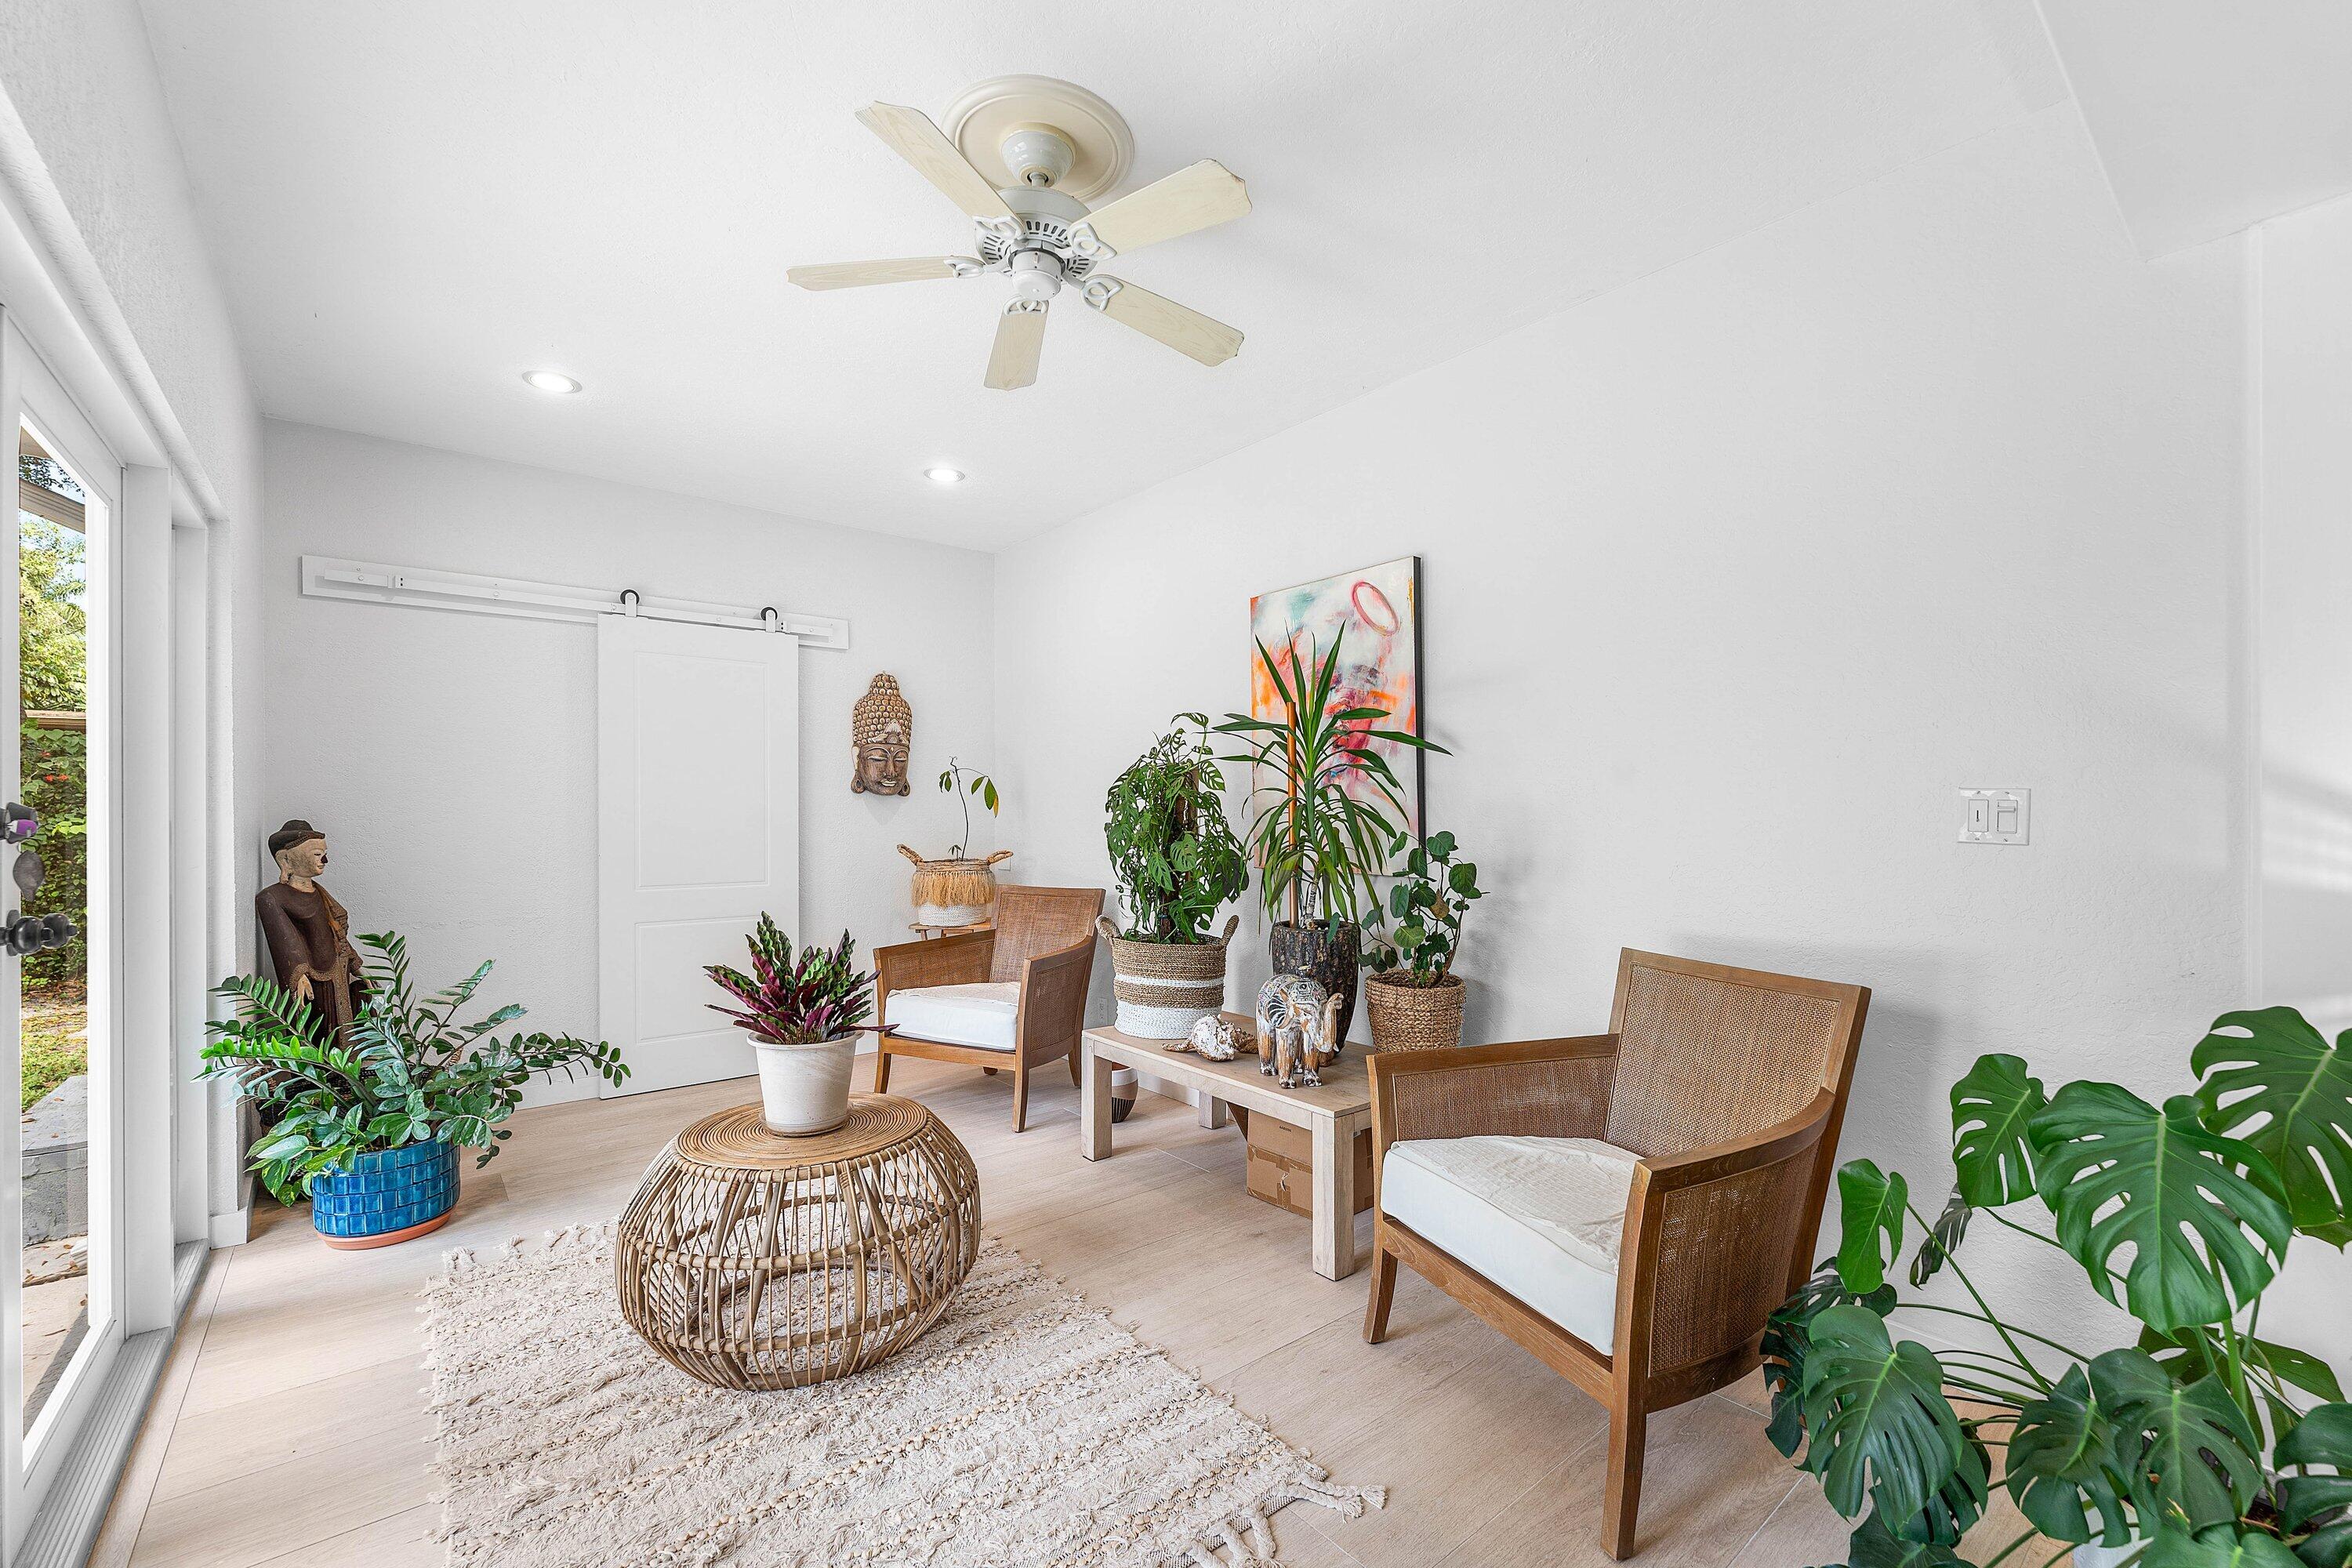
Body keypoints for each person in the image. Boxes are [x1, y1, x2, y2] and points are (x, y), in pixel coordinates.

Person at [253, 820, 368, 1043]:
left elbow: (337, 935)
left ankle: (350, 1072)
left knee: (349, 1028)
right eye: (317, 854)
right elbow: (285, 940)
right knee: (322, 1031)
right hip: (314, 978)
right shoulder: (273, 897)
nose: (324, 860)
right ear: (285, 859)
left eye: (324, 854)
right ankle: (323, 1075)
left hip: (339, 971)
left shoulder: (321, 893)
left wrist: (358, 966)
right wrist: (298, 976)